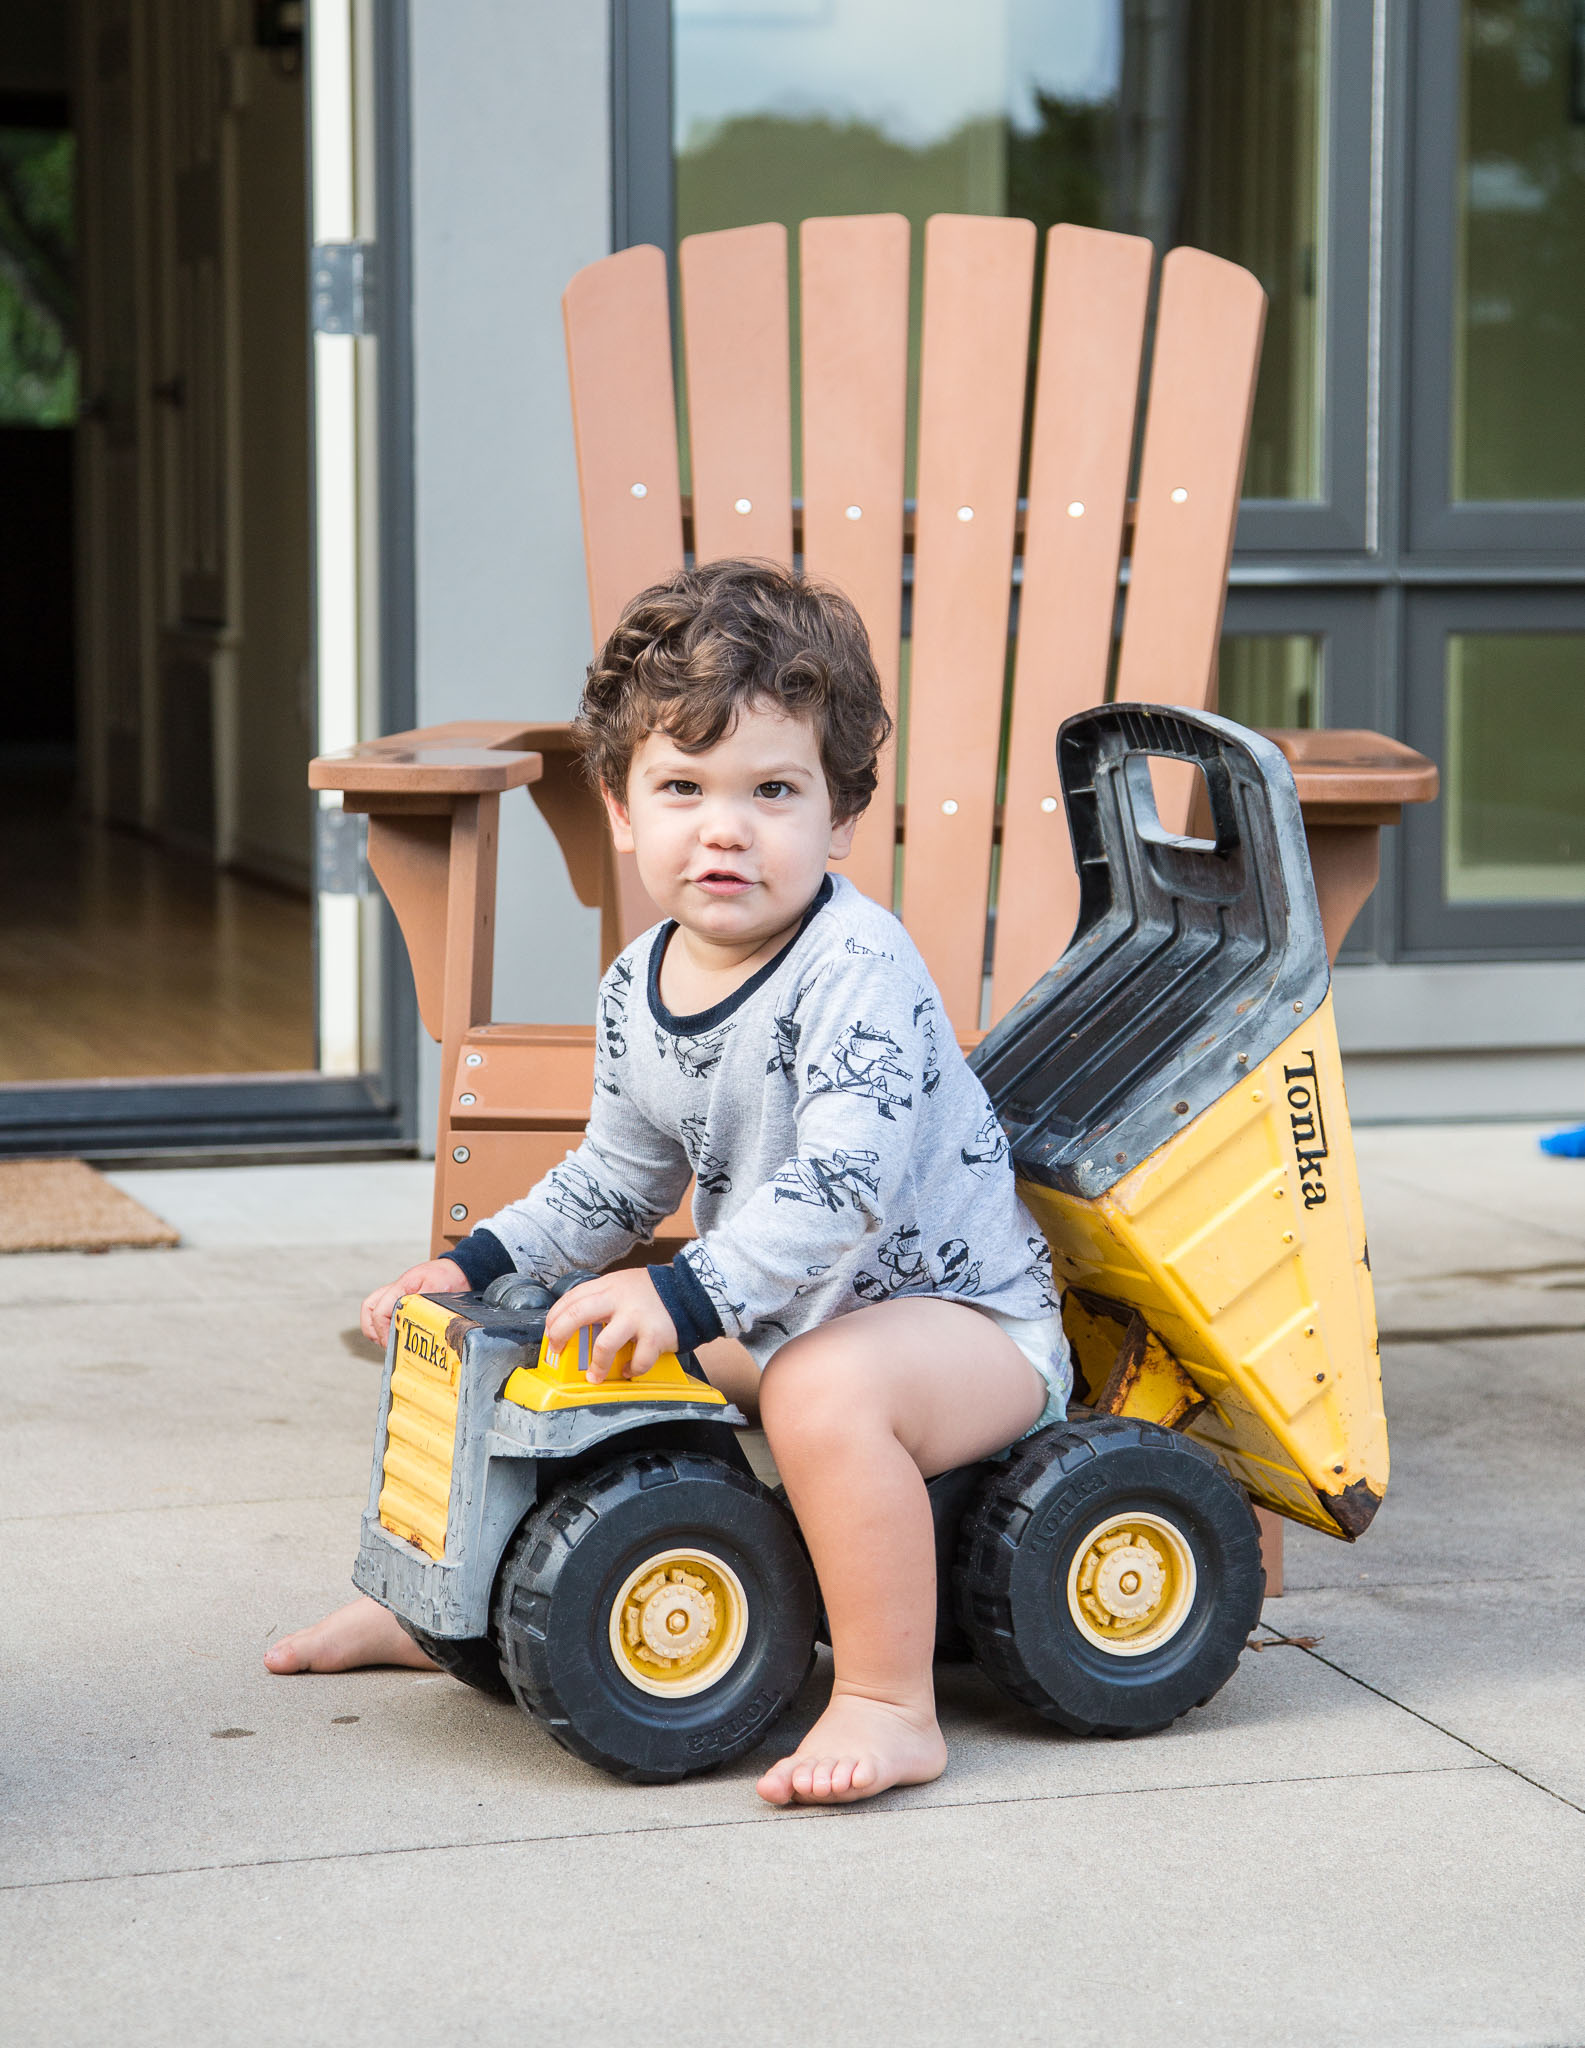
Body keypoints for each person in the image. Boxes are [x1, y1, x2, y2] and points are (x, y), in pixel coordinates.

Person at [267, 559, 1070, 1806]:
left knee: (820, 1388)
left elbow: (845, 1181)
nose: (725, 827)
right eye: (684, 787)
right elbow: (613, 1177)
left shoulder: (856, 966)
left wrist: (685, 1296)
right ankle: (445, 1607)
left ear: (840, 814)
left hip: (960, 1327)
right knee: (534, 1345)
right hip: (777, 1306)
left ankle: (888, 1699)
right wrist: (476, 1267)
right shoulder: (638, 982)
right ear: (623, 807)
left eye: (773, 790)